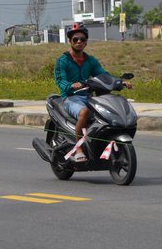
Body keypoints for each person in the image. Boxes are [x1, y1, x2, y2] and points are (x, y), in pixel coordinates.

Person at [54, 23, 131, 162]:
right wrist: (72, 85)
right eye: (75, 39)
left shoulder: (90, 61)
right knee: (84, 113)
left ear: (86, 42)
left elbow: (103, 75)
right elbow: (60, 81)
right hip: (71, 98)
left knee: (105, 114)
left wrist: (119, 82)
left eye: (82, 39)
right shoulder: (62, 61)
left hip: (88, 97)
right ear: (70, 41)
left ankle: (100, 145)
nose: (79, 42)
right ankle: (78, 149)